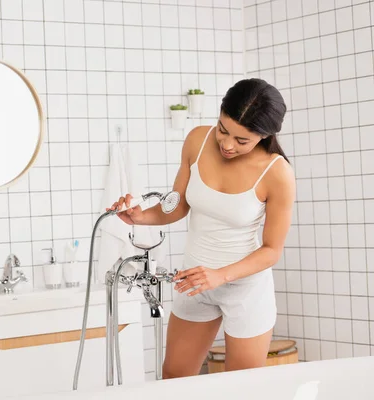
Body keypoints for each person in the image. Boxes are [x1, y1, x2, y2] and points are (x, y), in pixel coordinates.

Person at [109, 78, 296, 378]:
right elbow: (177, 205)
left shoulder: (277, 173)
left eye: (242, 140)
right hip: (194, 282)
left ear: (265, 135)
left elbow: (272, 251)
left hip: (245, 288)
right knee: (174, 381)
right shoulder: (197, 141)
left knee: (241, 390)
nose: (227, 144)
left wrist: (220, 275)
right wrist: (140, 216)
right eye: (223, 129)